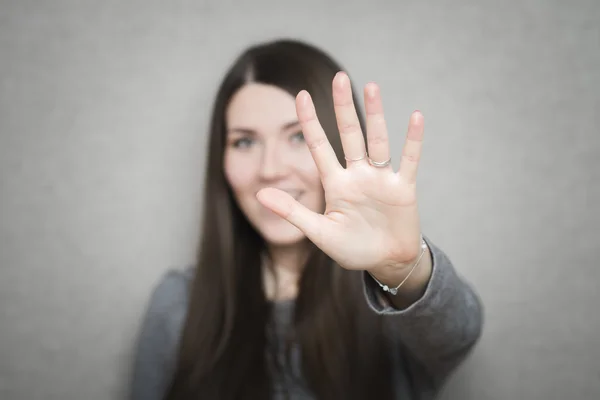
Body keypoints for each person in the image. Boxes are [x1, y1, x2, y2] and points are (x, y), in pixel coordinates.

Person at [130, 38, 483, 400]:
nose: (270, 170)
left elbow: (459, 330)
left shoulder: (392, 310)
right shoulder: (177, 305)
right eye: (244, 142)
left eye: (297, 136)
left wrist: (400, 269)